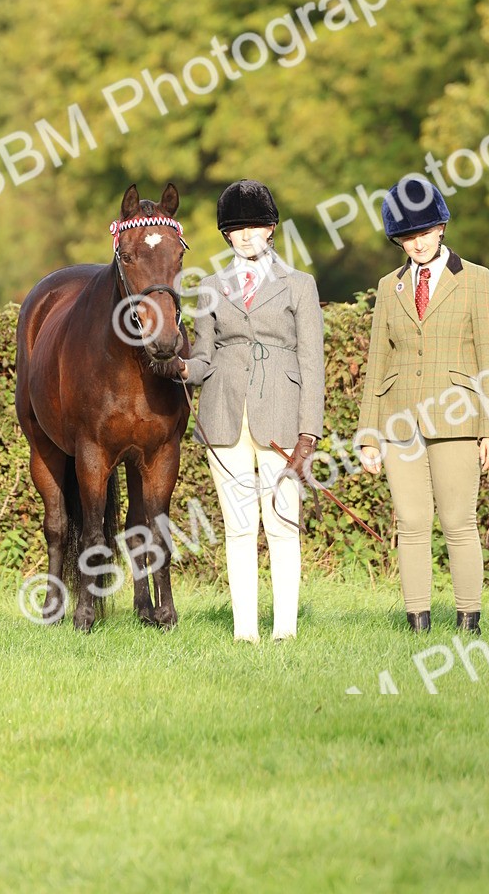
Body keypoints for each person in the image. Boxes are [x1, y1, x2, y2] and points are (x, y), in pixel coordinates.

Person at [174, 180, 325, 641]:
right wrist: (180, 367)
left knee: (282, 524)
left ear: (271, 228)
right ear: (226, 234)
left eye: (254, 226)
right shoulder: (210, 287)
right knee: (239, 528)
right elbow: (204, 356)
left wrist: (309, 433)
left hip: (282, 417)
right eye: (236, 228)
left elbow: (312, 362)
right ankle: (245, 632)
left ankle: (284, 631)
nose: (245, 235)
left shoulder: (299, 285)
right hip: (224, 417)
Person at [356, 176, 489, 635]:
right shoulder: (389, 286)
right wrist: (367, 435)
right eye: (407, 237)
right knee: (411, 522)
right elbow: (377, 361)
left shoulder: (476, 279)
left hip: (458, 417)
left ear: (441, 227)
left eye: (423, 232)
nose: (417, 244)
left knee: (459, 521)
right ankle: (417, 622)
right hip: (399, 420)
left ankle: (468, 621)